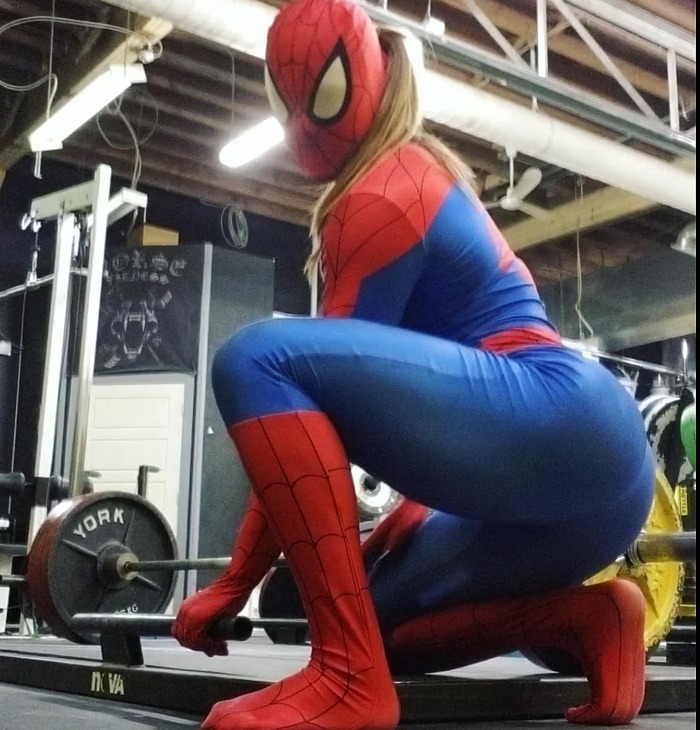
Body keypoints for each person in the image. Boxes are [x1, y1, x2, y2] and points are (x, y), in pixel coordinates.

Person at [171, 1, 655, 728]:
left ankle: (347, 677)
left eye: (317, 96)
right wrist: (420, 505)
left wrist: (235, 582)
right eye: (285, 100)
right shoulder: (411, 173)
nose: (301, 124)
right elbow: (438, 395)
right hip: (576, 492)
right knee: (381, 621)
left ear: (366, 77)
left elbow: (310, 395)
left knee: (256, 357)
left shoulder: (382, 191)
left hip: (562, 411)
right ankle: (590, 619)